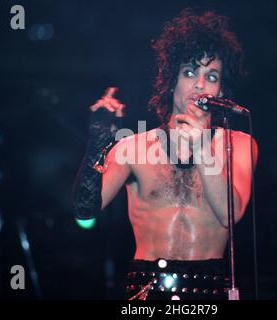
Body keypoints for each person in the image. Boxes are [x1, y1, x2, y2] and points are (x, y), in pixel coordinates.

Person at [73, 8, 258, 300]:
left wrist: (200, 146)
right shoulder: (132, 148)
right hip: (146, 289)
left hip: (210, 292)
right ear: (172, 81)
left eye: (211, 76)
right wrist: (97, 145)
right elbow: (84, 215)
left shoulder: (238, 144)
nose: (199, 84)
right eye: (189, 72)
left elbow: (228, 215)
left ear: (221, 90)